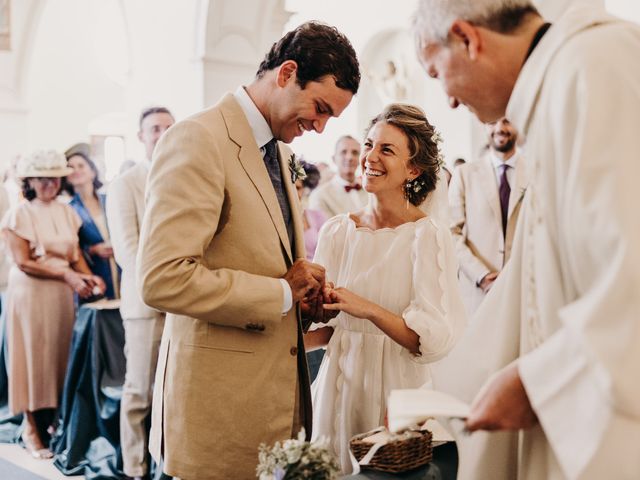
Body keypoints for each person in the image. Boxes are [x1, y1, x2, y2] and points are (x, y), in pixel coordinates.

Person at [414, 1, 640, 479]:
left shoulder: (594, 67)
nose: (449, 101)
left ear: (468, 39)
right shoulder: (560, 85)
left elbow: (631, 274)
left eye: (436, 73)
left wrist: (540, 383)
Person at [136, 22, 360, 479]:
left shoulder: (275, 149)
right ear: (286, 73)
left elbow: (253, 256)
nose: (318, 127)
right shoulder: (199, 138)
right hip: (218, 411)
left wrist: (301, 301)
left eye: (329, 118)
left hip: (272, 407)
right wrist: (280, 293)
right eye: (319, 108)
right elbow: (163, 277)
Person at [306, 104, 465, 473]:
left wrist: (367, 309)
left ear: (413, 169)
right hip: (340, 382)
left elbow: (429, 342)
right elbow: (324, 326)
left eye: (386, 150)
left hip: (399, 389)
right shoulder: (336, 230)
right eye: (368, 144)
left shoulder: (427, 235)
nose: (370, 157)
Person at [2, 150, 105, 459]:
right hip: (31, 293)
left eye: (53, 178)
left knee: (60, 355)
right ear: (30, 181)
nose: (48, 184)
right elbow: (24, 262)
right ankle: (31, 427)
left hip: (61, 295)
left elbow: (74, 255)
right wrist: (71, 277)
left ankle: (55, 422)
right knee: (33, 356)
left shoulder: (66, 212)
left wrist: (90, 279)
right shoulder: (19, 214)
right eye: (41, 178)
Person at [106, 106, 174, 480]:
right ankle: (134, 467)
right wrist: (164, 289)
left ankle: (167, 463)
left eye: (169, 127)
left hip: (183, 304)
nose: (163, 133)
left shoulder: (184, 177)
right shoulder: (125, 184)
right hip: (144, 303)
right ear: (141, 136)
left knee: (171, 389)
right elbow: (127, 252)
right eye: (155, 129)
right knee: (139, 392)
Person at [449, 118, 526, 315]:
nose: (500, 128)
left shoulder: (537, 172)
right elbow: (451, 233)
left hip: (524, 288)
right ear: (485, 125)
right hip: (478, 293)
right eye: (493, 122)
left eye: (508, 121)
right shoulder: (464, 174)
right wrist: (481, 275)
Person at [65, 148, 119, 300]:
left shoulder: (110, 199)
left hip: (121, 264)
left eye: (81, 166)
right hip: (95, 269)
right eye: (71, 167)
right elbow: (70, 248)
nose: (76, 170)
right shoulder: (69, 209)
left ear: (92, 171)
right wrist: (92, 250)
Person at [308, 135, 368, 218]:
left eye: (355, 153)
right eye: (343, 152)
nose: (350, 157)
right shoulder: (320, 196)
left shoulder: (371, 193)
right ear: (334, 159)